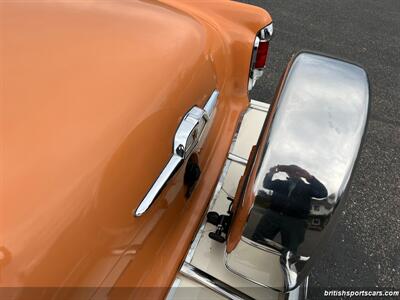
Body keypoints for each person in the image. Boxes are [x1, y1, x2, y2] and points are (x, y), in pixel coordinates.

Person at [252, 164, 327, 253]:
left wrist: (310, 178)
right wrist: (271, 172)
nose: (294, 173)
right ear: (287, 173)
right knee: (258, 240)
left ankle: (285, 264)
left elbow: (323, 193)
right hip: (273, 214)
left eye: (297, 171)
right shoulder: (280, 183)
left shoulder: (307, 188)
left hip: (295, 221)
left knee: (290, 250)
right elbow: (267, 184)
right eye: (291, 171)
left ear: (301, 174)